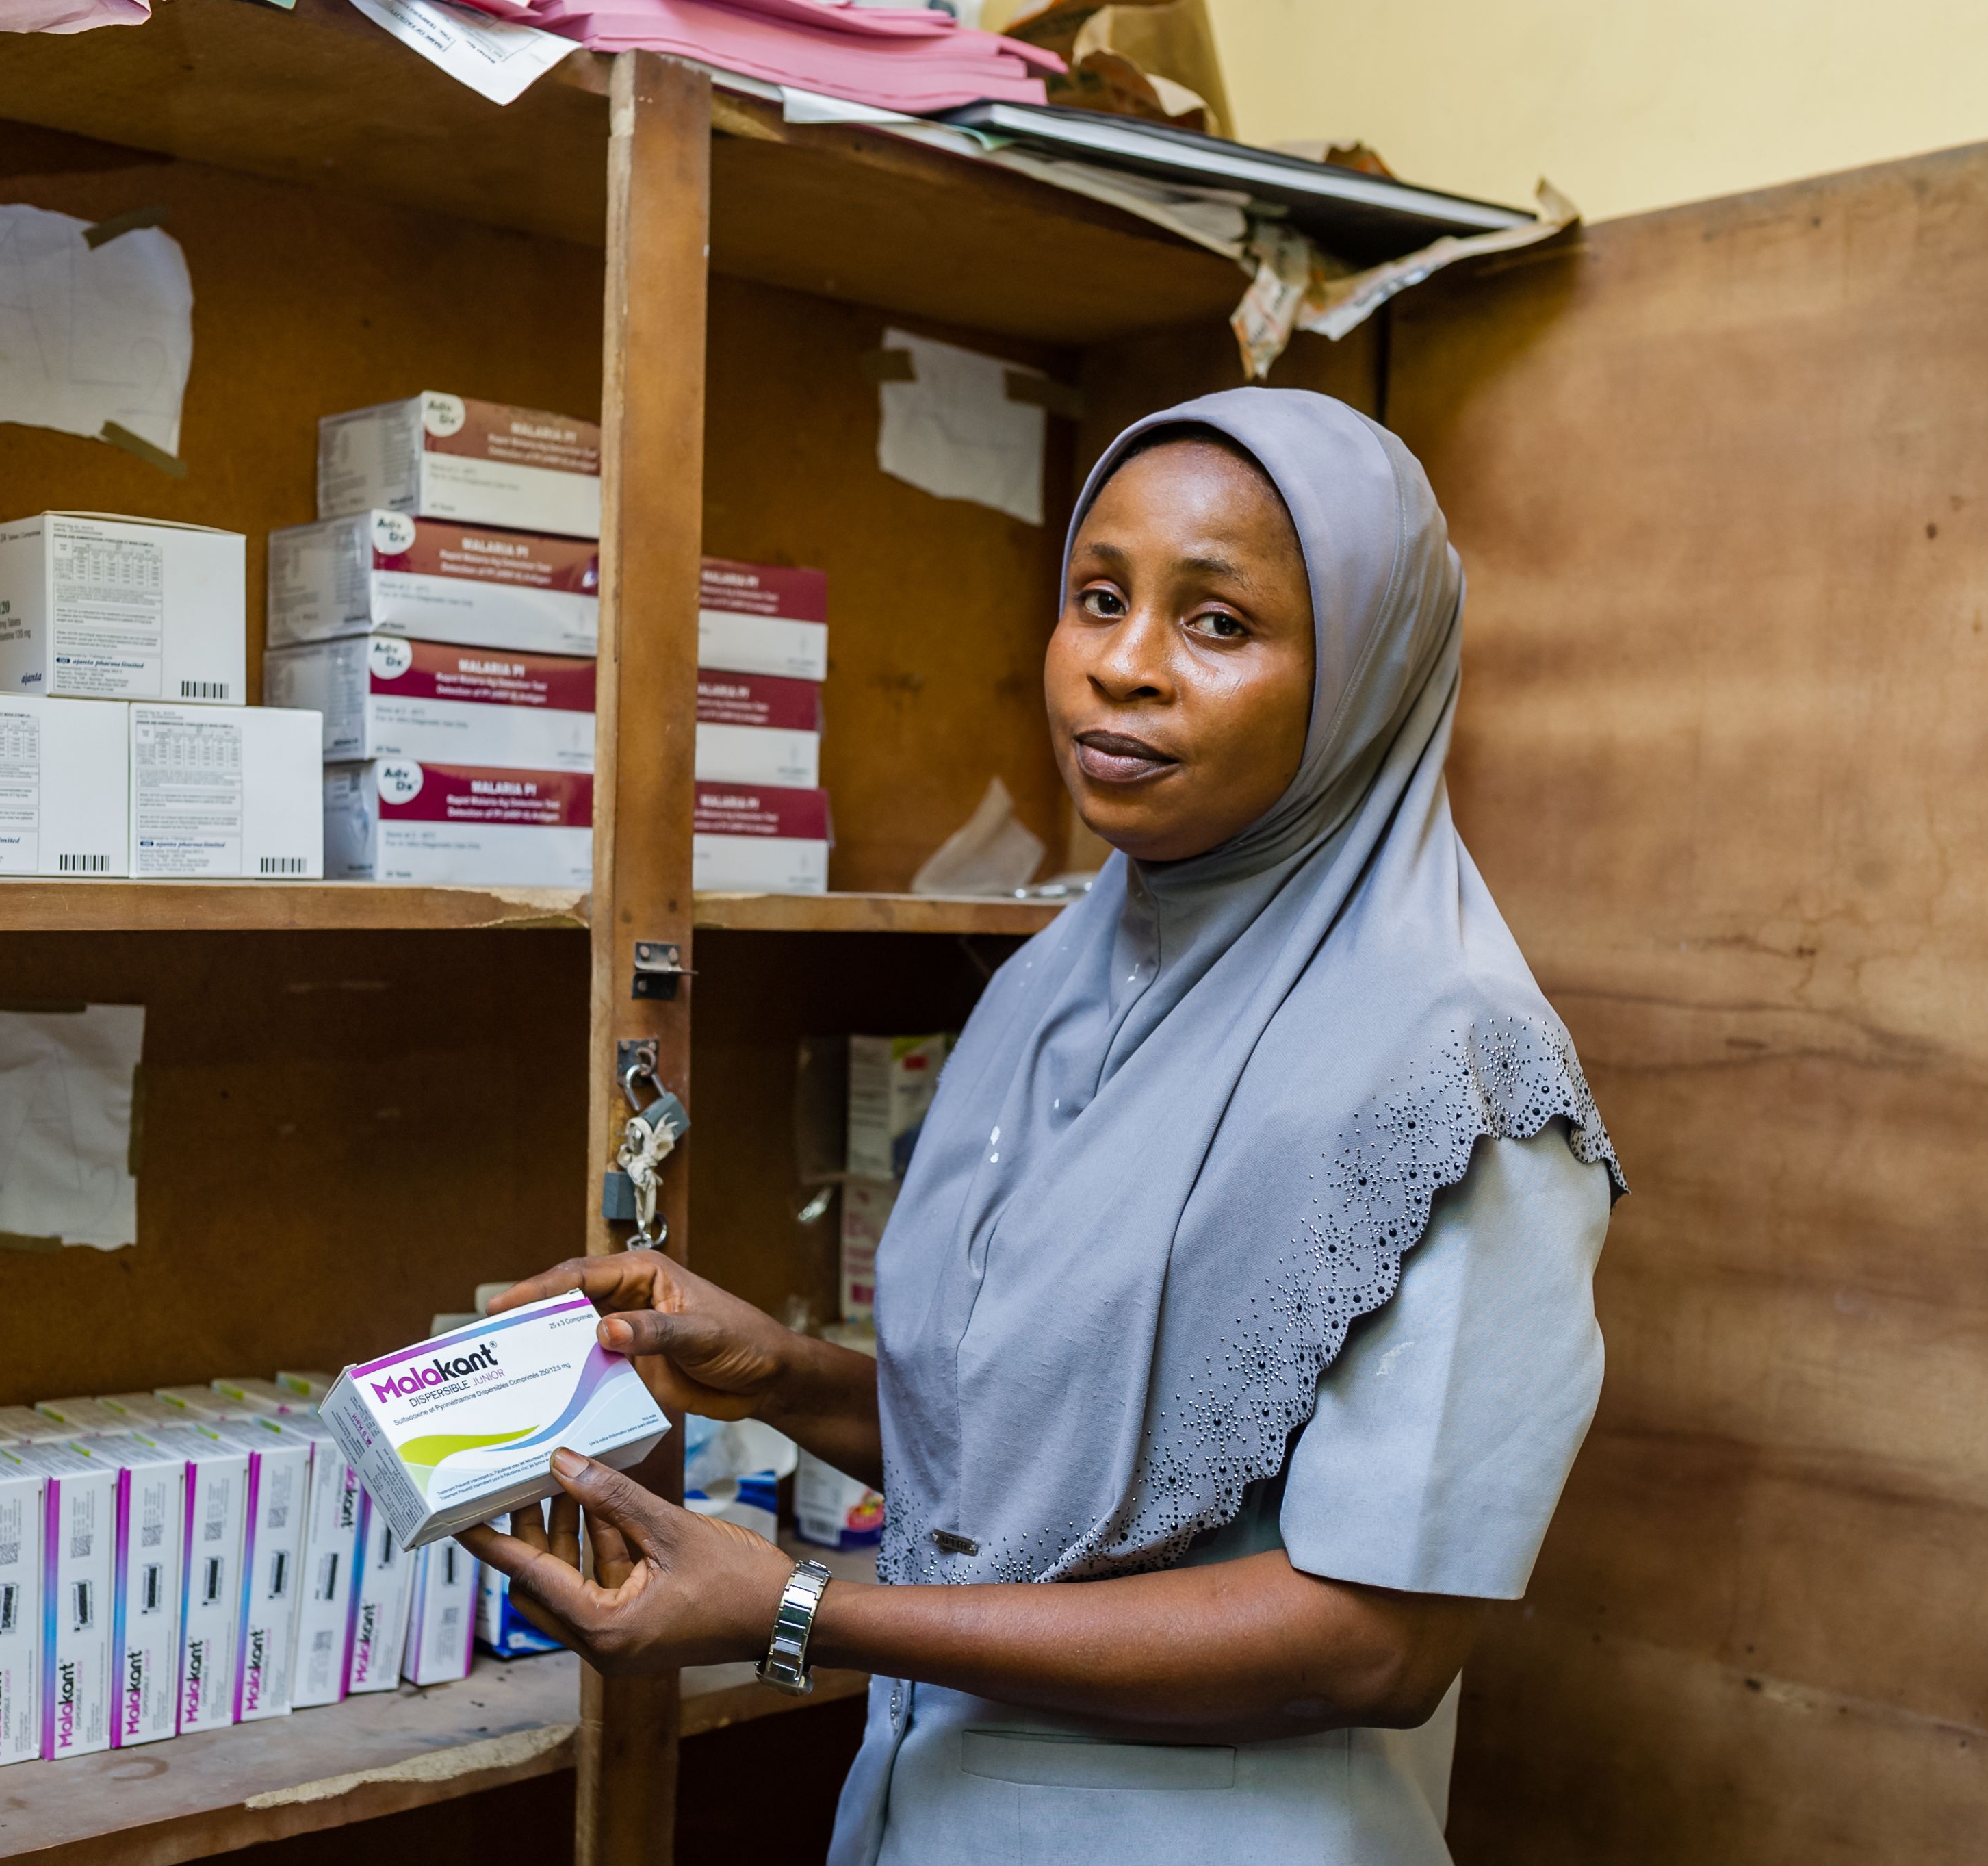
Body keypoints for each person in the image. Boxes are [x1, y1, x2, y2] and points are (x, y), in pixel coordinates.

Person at [464, 387, 1624, 1863]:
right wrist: (779, 1374)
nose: (1119, 669)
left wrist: (802, 1614)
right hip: (917, 1817)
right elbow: (1060, 1462)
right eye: (1095, 598)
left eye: (1217, 623)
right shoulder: (1044, 986)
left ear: (1366, 677)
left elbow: (1374, 1641)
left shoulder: (1456, 1075)